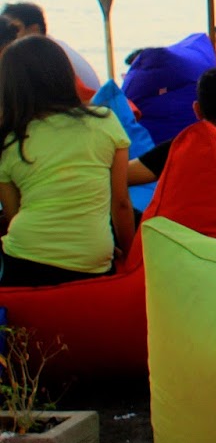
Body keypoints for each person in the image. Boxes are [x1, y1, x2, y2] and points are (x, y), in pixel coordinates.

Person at [0, 37, 133, 285]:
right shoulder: (104, 121)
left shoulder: (9, 138)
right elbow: (121, 203)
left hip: (24, 254)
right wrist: (128, 257)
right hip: (91, 257)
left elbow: (13, 213)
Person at [1, 2, 99, 90]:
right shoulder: (53, 48)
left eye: (15, 29)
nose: (11, 34)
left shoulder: (43, 58)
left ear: (34, 30)